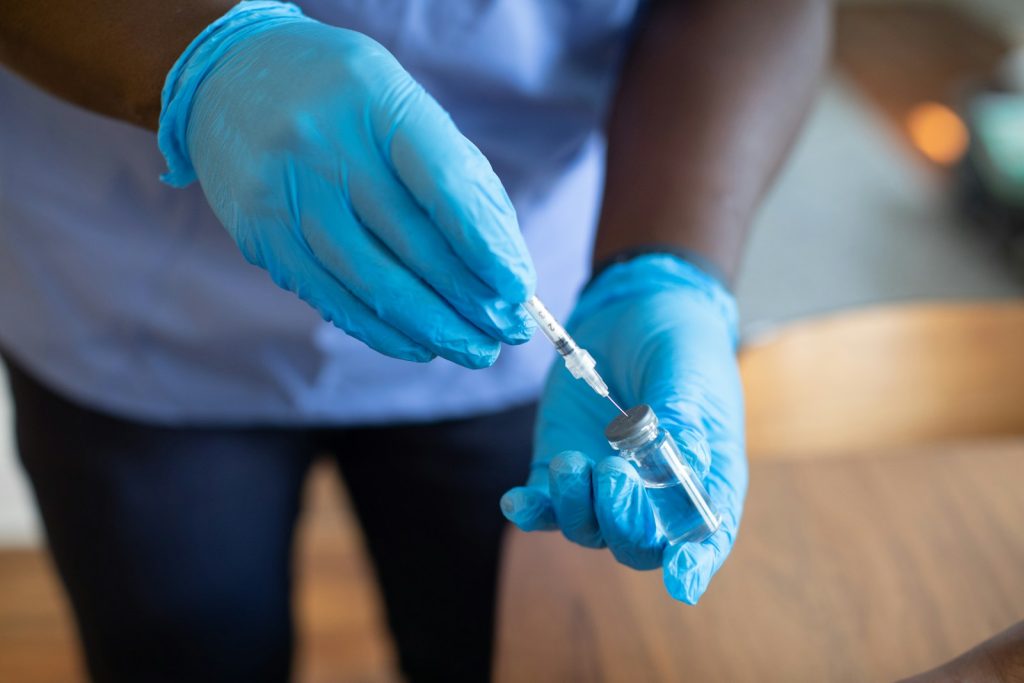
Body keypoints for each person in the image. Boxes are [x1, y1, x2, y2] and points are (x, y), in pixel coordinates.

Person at [0, 1, 830, 681]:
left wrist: (663, 268)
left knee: (497, 650)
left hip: (512, 309)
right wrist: (208, 60)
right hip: (126, 293)